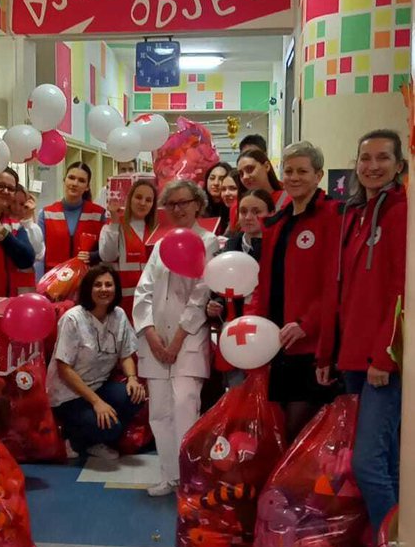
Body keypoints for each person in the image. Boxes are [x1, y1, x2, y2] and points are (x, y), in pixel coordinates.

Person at [317, 129, 407, 547]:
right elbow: (341, 292)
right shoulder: (352, 214)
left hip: (379, 364)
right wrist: (329, 351)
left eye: (383, 158)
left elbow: (400, 290)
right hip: (352, 358)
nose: (372, 166)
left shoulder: (400, 212)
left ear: (399, 163)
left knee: (370, 465)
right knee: (383, 463)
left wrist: (384, 356)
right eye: (365, 157)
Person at [133, 180, 219, 496]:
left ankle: (189, 477)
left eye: (184, 203)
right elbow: (143, 290)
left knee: (185, 405)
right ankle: (168, 476)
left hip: (189, 341)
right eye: (172, 205)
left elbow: (201, 294)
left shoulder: (210, 243)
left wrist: (179, 337)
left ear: (198, 204)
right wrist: (151, 334)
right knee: (159, 411)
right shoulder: (159, 245)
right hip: (156, 342)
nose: (179, 209)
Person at [253, 142, 333, 442]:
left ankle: (290, 489)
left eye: (303, 171)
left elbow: (333, 285)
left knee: (300, 433)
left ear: (318, 175)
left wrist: (306, 324)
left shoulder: (332, 216)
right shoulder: (280, 221)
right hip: (276, 342)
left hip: (310, 345)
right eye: (289, 171)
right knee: (278, 431)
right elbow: (265, 282)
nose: (294, 177)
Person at [47, 264, 145, 461]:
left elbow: (126, 353)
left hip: (99, 385)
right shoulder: (73, 319)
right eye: (97, 285)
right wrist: (97, 402)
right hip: (69, 394)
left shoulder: (118, 315)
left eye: (109, 285)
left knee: (135, 396)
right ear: (88, 289)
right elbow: (64, 368)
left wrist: (132, 379)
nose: (104, 289)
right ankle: (73, 438)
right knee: (111, 428)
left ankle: (95, 438)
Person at [207, 191, 276, 389]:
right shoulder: (229, 247)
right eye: (243, 211)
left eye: (256, 211)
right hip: (234, 334)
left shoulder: (279, 246)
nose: (248, 217)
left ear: (271, 214)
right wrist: (215, 306)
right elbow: (219, 289)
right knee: (235, 397)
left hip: (267, 335)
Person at [99, 178, 157, 320]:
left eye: (148, 200)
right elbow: (107, 256)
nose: (143, 203)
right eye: (138, 197)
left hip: (149, 301)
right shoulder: (113, 226)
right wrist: (114, 221)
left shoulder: (157, 230)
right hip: (121, 302)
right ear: (129, 198)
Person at [39, 162, 106, 272]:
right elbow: (39, 256)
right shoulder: (46, 214)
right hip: (53, 282)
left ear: (87, 187)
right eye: (71, 178)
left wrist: (93, 256)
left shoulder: (98, 214)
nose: (75, 183)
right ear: (64, 180)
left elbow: (106, 251)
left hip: (86, 281)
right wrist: (39, 283)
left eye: (81, 180)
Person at [237, 146, 285, 210]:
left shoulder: (287, 199)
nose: (245, 177)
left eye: (250, 169)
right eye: (241, 174)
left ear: (266, 166)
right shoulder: (238, 207)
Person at [11, 185, 45, 264]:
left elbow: (37, 254)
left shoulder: (33, 228)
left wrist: (27, 220)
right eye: (13, 202)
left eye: (22, 204)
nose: (17, 208)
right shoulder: (0, 223)